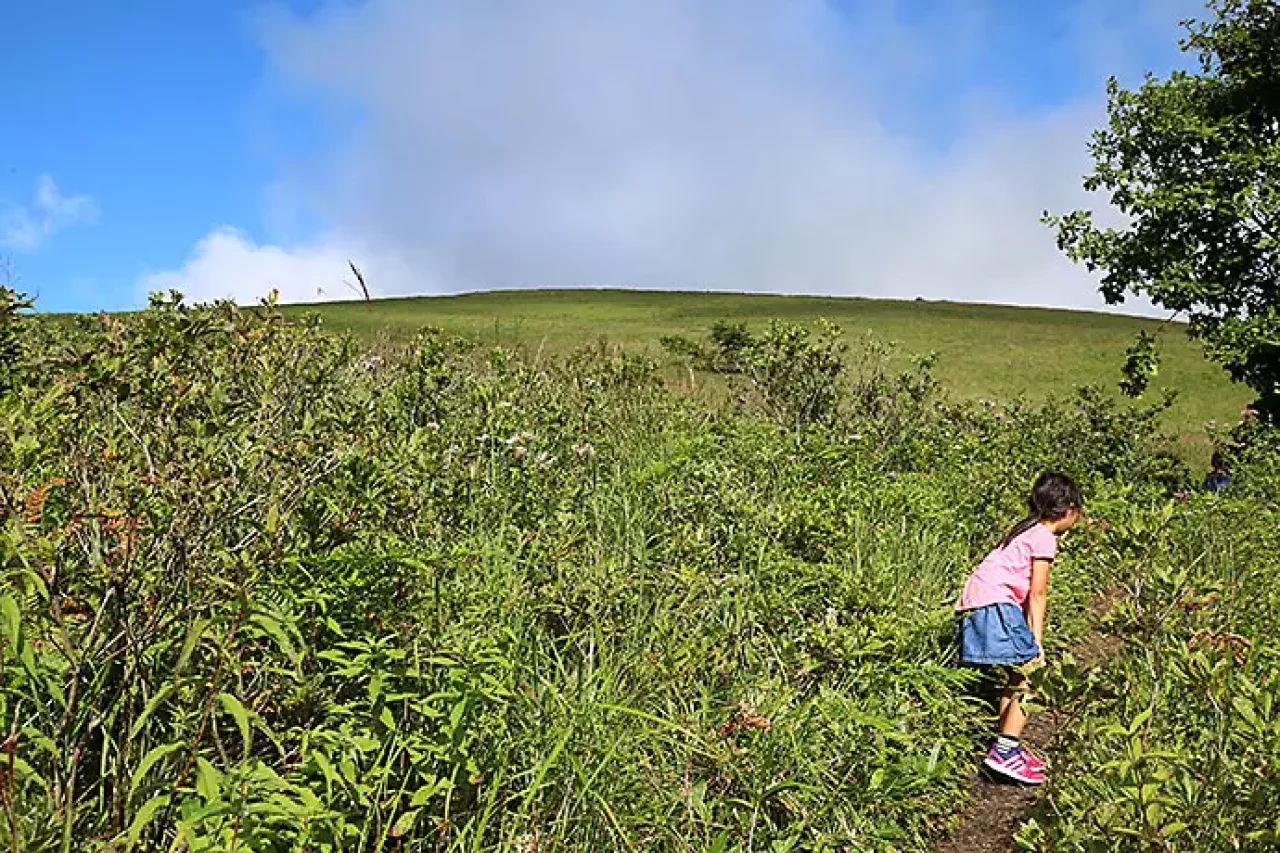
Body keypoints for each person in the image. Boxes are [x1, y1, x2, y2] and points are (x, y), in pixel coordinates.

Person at [954, 471, 1083, 785]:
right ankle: (1005, 751)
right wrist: (1037, 642)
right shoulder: (1044, 537)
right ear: (1067, 510)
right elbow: (1037, 594)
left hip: (974, 605)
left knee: (1016, 676)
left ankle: (1006, 743)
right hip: (995, 605)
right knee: (1033, 675)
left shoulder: (1022, 531)